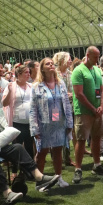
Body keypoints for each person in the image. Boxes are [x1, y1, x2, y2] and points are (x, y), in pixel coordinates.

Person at [29, 58, 73, 188]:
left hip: (59, 123)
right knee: (42, 152)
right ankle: (40, 181)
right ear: (42, 69)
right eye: (47, 64)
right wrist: (34, 128)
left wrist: (69, 123)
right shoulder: (36, 86)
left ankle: (59, 178)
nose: (51, 65)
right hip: (44, 124)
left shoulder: (60, 84)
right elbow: (33, 109)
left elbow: (67, 104)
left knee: (58, 150)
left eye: (52, 63)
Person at [71, 46, 103, 183]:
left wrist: (101, 107)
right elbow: (79, 94)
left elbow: (102, 90)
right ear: (87, 55)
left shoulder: (97, 70)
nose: (97, 59)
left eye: (98, 57)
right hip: (83, 112)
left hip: (97, 111)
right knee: (81, 140)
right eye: (95, 57)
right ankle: (78, 169)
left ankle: (97, 165)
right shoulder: (78, 71)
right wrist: (93, 109)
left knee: (97, 138)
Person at [2, 63, 34, 158]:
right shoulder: (11, 86)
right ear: (19, 75)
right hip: (17, 122)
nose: (28, 74)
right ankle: (16, 166)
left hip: (30, 121)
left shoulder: (31, 86)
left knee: (29, 146)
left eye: (29, 72)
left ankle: (30, 166)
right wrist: (10, 91)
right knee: (17, 145)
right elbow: (4, 103)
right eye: (26, 72)